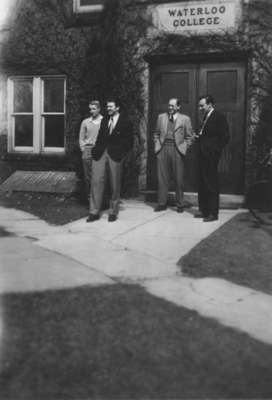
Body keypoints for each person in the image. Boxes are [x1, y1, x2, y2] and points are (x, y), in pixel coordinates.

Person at [87, 98, 133, 222]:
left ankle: (113, 212)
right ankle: (94, 212)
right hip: (100, 153)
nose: (108, 109)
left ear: (117, 108)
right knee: (96, 181)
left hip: (116, 155)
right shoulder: (105, 120)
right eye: (107, 107)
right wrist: (95, 149)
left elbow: (129, 141)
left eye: (111, 107)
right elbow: (100, 136)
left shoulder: (126, 121)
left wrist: (121, 153)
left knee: (115, 183)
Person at [153, 98, 193, 212]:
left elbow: (190, 137)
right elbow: (156, 133)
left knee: (178, 179)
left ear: (178, 107)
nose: (170, 108)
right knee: (162, 179)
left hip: (177, 150)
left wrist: (183, 147)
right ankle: (161, 203)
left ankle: (180, 204)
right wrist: (157, 146)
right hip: (163, 149)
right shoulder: (161, 117)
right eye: (169, 105)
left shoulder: (185, 119)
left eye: (172, 106)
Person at [194, 95, 230, 222]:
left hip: (210, 155)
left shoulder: (219, 116)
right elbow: (209, 135)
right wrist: (199, 136)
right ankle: (204, 211)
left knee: (211, 184)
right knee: (202, 182)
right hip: (202, 154)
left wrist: (215, 151)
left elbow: (225, 136)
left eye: (202, 105)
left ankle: (213, 213)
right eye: (199, 105)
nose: (200, 108)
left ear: (210, 105)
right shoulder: (206, 116)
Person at [79, 100, 103, 200]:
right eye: (90, 109)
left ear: (99, 109)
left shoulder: (104, 121)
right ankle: (90, 198)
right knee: (88, 176)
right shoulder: (85, 122)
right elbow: (81, 137)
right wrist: (83, 149)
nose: (91, 111)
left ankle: (100, 198)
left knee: (99, 176)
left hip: (100, 150)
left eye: (94, 109)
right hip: (88, 150)